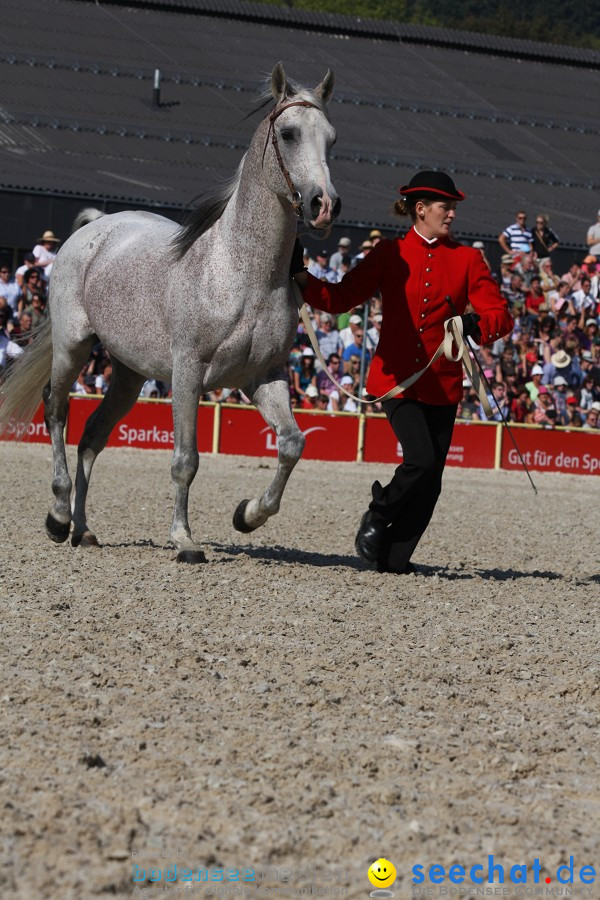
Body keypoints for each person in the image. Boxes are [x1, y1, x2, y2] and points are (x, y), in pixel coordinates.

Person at [291, 170, 512, 574]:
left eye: (453, 208)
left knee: (432, 481)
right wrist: (303, 279)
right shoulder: (387, 254)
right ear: (421, 209)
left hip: (443, 386)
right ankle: (377, 514)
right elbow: (341, 298)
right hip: (396, 382)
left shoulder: (468, 259)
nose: (452, 215)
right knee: (422, 460)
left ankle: (394, 557)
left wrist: (480, 324)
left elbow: (500, 314)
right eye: (446, 207)